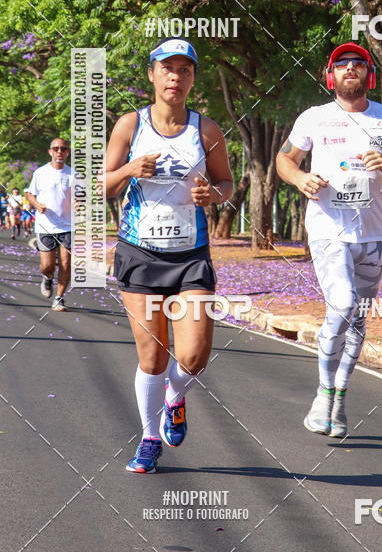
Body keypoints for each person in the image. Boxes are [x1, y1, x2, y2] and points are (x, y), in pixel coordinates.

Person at [276, 42, 382, 437]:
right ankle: (323, 393)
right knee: (342, 304)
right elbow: (284, 160)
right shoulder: (314, 118)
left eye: (359, 63)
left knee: (358, 320)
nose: (351, 69)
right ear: (331, 76)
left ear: (369, 75)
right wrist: (300, 178)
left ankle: (339, 396)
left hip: (373, 236)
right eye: (342, 64)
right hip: (328, 229)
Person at [104, 38, 233, 474]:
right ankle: (149, 438)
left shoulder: (206, 130)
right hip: (140, 254)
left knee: (193, 357)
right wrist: (128, 169)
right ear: (152, 75)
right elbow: (99, 187)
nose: (175, 77)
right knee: (153, 358)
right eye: (167, 68)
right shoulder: (129, 125)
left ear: (193, 78)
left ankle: (175, 398)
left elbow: (227, 184)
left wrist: (210, 195)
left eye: (185, 69)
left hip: (191, 256)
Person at [25, 139, 72, 311]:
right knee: (47, 265)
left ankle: (59, 298)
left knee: (66, 263)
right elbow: (29, 194)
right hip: (45, 226)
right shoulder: (40, 172)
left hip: (67, 226)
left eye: (63, 149)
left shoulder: (73, 174)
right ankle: (47, 277)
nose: (59, 151)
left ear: (67, 152)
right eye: (56, 148)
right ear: (50, 151)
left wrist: (79, 204)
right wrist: (37, 205)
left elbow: (80, 198)